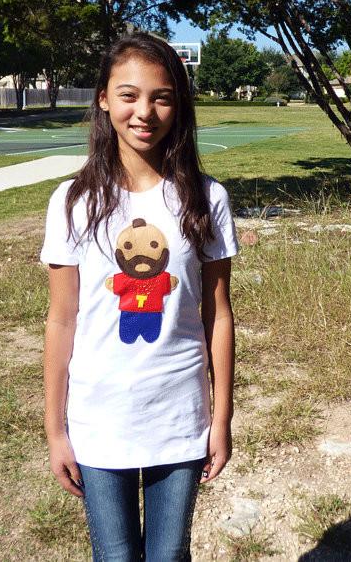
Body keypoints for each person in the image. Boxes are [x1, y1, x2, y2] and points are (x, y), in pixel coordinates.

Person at [40, 33, 238, 561]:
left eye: (162, 96)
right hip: (99, 417)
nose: (144, 112)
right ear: (104, 99)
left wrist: (221, 420)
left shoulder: (206, 197)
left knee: (169, 557)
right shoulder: (73, 201)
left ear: (179, 104)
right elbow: (62, 320)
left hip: (179, 416)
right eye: (129, 95)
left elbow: (218, 315)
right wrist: (55, 429)